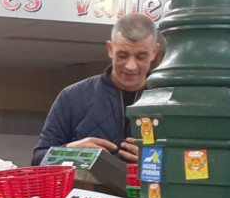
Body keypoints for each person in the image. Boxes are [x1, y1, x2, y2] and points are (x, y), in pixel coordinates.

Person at [32, 13, 162, 165]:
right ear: (110, 49)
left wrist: (157, 162)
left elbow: (193, 165)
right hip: (85, 189)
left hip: (150, 189)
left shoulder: (170, 101)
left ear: (154, 52)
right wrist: (69, 152)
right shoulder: (73, 97)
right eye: (122, 55)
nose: (130, 66)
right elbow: (37, 159)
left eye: (141, 57)